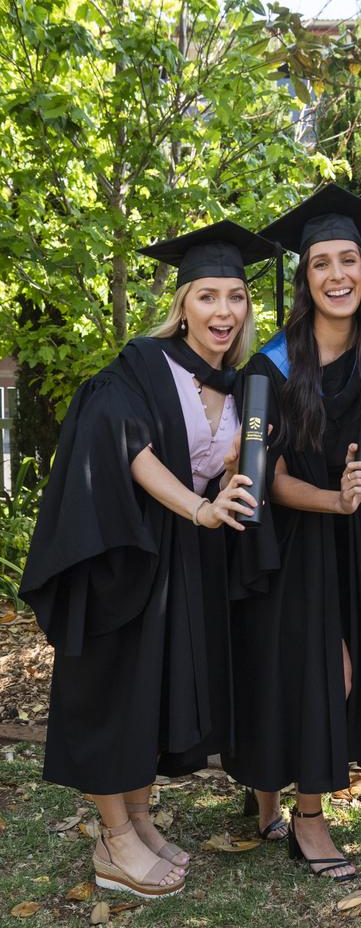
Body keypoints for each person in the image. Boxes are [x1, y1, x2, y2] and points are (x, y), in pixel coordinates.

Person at [19, 221, 279, 899]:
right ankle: (112, 842)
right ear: (183, 304)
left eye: (235, 298)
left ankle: (137, 819)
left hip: (183, 562)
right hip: (122, 550)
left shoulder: (244, 382)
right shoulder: (141, 365)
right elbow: (124, 442)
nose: (224, 312)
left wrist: (226, 481)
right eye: (208, 297)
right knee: (113, 694)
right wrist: (196, 508)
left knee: (148, 697)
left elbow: (218, 471)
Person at [221, 185, 361, 882]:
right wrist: (338, 499)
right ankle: (307, 819)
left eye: (348, 260)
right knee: (312, 670)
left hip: (345, 538)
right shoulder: (272, 365)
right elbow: (266, 480)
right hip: (286, 539)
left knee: (312, 669)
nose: (337, 275)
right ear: (304, 279)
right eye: (321, 262)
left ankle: (267, 795)